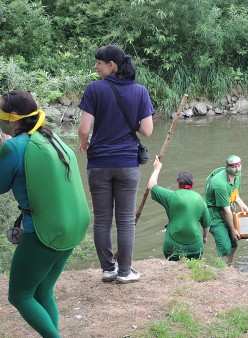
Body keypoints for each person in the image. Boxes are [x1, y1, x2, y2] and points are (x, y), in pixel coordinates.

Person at [1, 90, 89, 337]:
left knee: (19, 295)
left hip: (43, 231)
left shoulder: (15, 147)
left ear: (13, 117)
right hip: (73, 226)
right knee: (42, 291)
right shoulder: (51, 138)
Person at [78, 45, 154, 284]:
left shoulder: (94, 89)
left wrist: (85, 143)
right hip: (127, 164)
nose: (95, 66)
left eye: (98, 62)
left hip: (99, 163)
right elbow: (147, 131)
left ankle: (108, 270)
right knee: (125, 220)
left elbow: (83, 129)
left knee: (101, 219)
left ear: (112, 65)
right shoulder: (140, 91)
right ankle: (125, 272)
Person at [148, 156, 211, 260]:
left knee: (173, 267)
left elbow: (151, 185)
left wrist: (157, 168)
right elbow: (207, 225)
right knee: (193, 270)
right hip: (195, 246)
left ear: (178, 184)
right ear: (192, 184)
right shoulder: (200, 199)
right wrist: (204, 238)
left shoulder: (170, 196)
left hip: (172, 246)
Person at [204, 155, 248, 265]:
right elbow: (227, 210)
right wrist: (233, 230)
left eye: (239, 166)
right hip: (214, 214)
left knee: (234, 244)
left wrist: (241, 204)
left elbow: (234, 194)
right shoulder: (219, 184)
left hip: (226, 210)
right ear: (227, 168)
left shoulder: (237, 175)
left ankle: (228, 267)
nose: (237, 169)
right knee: (225, 246)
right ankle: (220, 270)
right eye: (234, 167)